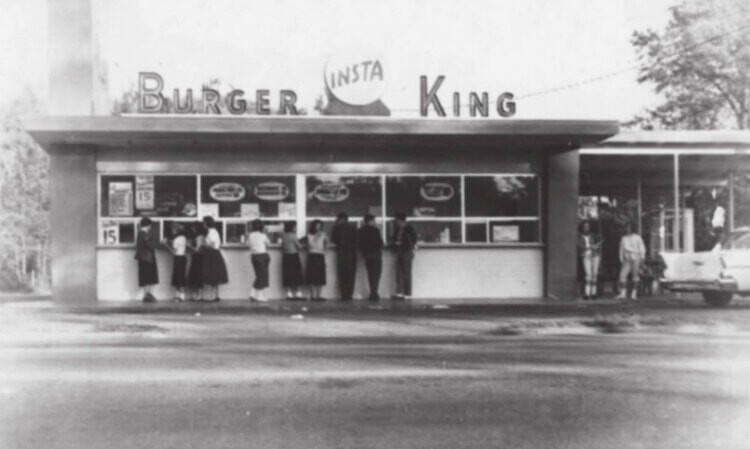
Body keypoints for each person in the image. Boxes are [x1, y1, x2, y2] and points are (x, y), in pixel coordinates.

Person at [200, 216, 228, 302]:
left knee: (212, 275)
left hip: (212, 254)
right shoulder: (214, 231)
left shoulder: (211, 232)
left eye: (204, 222)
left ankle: (212, 296)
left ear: (207, 223)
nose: (203, 224)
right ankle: (215, 295)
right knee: (215, 275)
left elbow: (213, 244)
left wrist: (204, 245)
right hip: (215, 254)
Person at [615, 221, 646, 301]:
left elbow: (642, 248)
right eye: (627, 227)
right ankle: (623, 293)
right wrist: (621, 259)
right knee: (622, 276)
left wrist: (642, 259)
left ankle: (633, 294)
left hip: (636, 258)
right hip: (627, 259)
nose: (628, 229)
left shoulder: (637, 237)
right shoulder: (623, 238)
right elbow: (621, 249)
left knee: (635, 276)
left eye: (629, 227)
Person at [331, 212, 358, 301]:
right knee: (351, 275)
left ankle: (344, 294)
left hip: (341, 254)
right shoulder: (353, 228)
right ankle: (350, 294)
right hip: (352, 254)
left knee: (342, 275)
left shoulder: (337, 228)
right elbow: (357, 241)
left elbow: (333, 240)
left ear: (340, 219)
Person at [391, 212, 418, 300]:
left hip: (406, 251)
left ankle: (407, 293)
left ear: (400, 220)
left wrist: (400, 243)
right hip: (401, 251)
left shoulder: (408, 229)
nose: (395, 222)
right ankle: (400, 292)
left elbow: (413, 240)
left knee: (406, 273)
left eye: (396, 220)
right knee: (399, 273)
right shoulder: (399, 229)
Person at [357, 214, 384, 301]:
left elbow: (359, 243)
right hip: (376, 254)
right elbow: (380, 243)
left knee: (370, 273)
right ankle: (374, 293)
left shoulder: (360, 231)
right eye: (374, 220)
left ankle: (373, 292)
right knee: (376, 274)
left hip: (367, 255)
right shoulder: (376, 230)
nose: (374, 222)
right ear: (371, 221)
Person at [135, 217, 159, 302]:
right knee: (150, 277)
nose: (150, 227)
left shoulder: (140, 233)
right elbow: (151, 245)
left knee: (145, 277)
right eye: (150, 225)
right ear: (148, 225)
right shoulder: (144, 234)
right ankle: (148, 294)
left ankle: (147, 294)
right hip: (148, 258)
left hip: (143, 257)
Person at [247, 219, 272, 302]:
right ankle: (257, 295)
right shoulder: (263, 235)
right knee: (263, 276)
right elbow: (268, 243)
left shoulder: (250, 235)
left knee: (259, 276)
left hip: (254, 256)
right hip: (262, 255)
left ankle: (255, 295)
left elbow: (248, 244)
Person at [578, 221, 602, 300]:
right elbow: (580, 247)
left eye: (588, 226)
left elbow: (599, 244)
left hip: (595, 255)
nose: (586, 228)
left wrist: (596, 247)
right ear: (582, 228)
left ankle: (594, 293)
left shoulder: (593, 236)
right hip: (586, 255)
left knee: (594, 274)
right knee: (588, 274)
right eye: (585, 226)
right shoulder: (580, 237)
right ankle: (587, 293)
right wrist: (590, 247)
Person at [164, 222, 188, 302]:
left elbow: (173, 251)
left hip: (178, 258)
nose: (172, 231)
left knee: (178, 277)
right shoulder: (183, 237)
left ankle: (181, 295)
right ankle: (179, 295)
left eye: (172, 229)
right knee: (180, 276)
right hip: (183, 258)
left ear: (175, 230)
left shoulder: (176, 239)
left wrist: (166, 245)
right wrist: (170, 241)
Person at [305, 219, 329, 301]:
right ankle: (313, 295)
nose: (318, 227)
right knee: (312, 275)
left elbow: (327, 244)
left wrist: (326, 243)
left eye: (320, 226)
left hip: (320, 255)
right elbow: (311, 245)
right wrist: (316, 237)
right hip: (312, 255)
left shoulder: (323, 234)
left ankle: (319, 295)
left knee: (320, 276)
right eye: (317, 225)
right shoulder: (309, 235)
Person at [281, 221, 305, 300]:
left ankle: (289, 293)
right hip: (294, 256)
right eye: (295, 227)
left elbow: (283, 246)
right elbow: (299, 247)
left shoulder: (284, 235)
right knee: (297, 274)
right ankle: (298, 293)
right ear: (292, 227)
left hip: (286, 256)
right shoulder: (293, 235)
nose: (296, 228)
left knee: (288, 274)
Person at [186, 222, 205, 301]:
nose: (192, 229)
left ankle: (199, 295)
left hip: (198, 258)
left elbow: (197, 249)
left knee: (197, 276)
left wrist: (189, 245)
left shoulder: (200, 236)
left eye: (193, 227)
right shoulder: (197, 237)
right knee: (194, 276)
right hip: (196, 257)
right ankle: (196, 295)